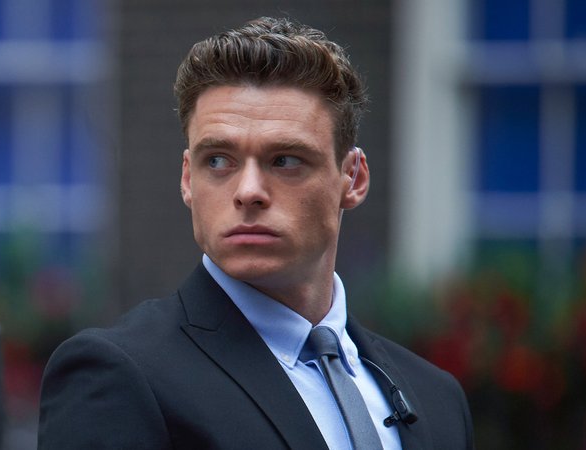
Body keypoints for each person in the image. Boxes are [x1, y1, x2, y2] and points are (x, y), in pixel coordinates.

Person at [38, 16, 474, 449]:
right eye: (218, 160)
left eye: (285, 160)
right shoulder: (119, 375)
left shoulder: (437, 398)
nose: (248, 191)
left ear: (353, 178)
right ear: (188, 178)